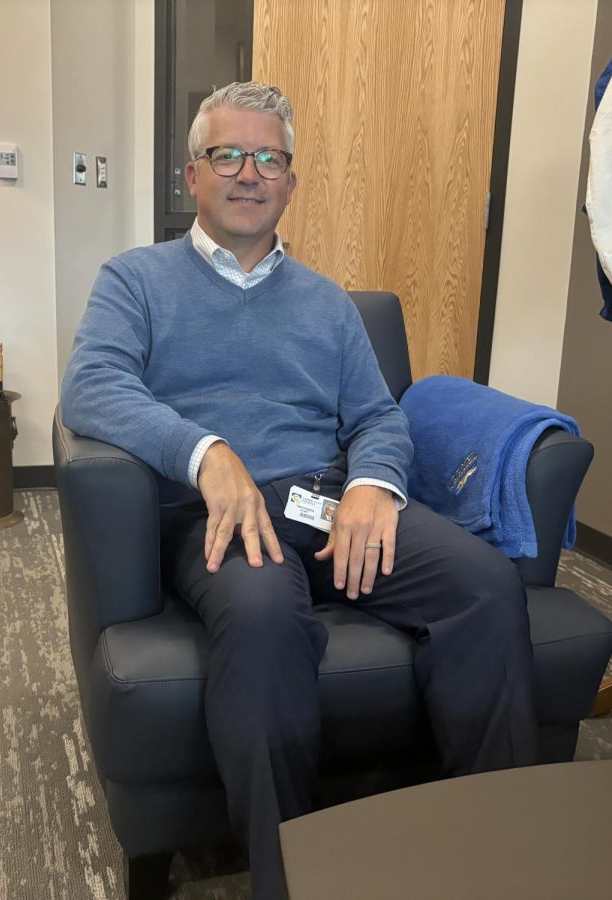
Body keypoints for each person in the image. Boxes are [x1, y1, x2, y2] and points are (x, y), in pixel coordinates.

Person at [61, 81, 537, 899]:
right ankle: (288, 882)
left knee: (486, 586)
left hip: (327, 497)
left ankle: (493, 858)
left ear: (290, 180)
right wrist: (207, 454)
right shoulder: (136, 280)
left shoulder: (328, 303)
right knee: (262, 616)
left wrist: (374, 484)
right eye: (228, 155)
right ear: (192, 175)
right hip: (218, 513)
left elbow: (381, 416)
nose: (250, 173)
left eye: (270, 158)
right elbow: (92, 387)